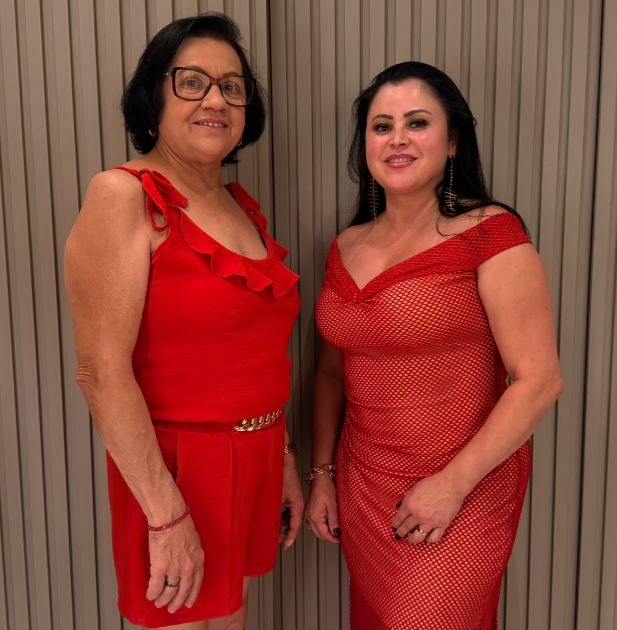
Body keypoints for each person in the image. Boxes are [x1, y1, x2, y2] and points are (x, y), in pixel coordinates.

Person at [64, 13, 304, 630]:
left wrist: (281, 456)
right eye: (192, 82)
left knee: (231, 620)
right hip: (176, 474)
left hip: (255, 460)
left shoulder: (239, 205)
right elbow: (100, 373)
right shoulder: (123, 195)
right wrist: (166, 515)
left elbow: (255, 356)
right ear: (154, 99)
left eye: (232, 86)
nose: (216, 100)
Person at [304, 61, 563, 630]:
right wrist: (320, 474)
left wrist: (452, 485)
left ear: (452, 143)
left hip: (462, 491)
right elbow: (330, 373)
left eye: (417, 123)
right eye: (382, 126)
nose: (397, 138)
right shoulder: (345, 246)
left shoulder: (491, 234)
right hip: (364, 484)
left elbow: (540, 382)